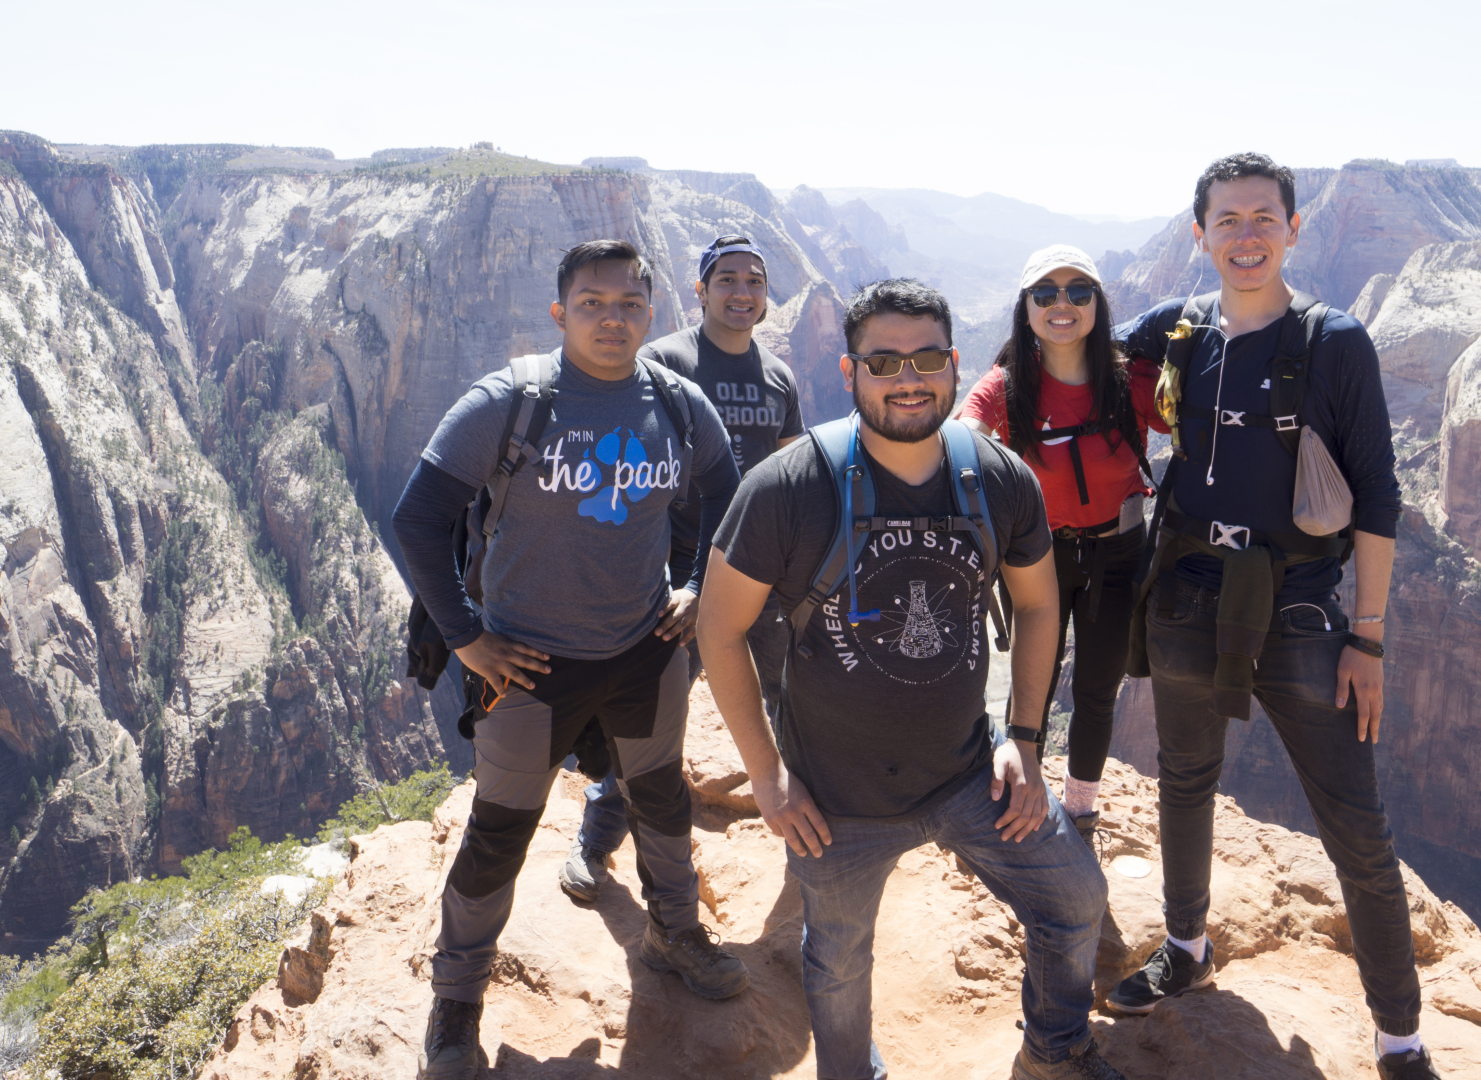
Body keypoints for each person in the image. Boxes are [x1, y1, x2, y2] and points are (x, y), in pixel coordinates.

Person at [697, 279, 1130, 1080]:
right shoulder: (788, 487)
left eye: (928, 358)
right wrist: (768, 777)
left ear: (955, 366)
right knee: (838, 964)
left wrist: (1025, 743)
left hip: (970, 770)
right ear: (849, 370)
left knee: (1073, 899)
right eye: (885, 360)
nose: (908, 377)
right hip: (834, 801)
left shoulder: (998, 479)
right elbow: (717, 628)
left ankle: (1054, 1049)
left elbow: (1038, 607)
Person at [1108, 155, 1440, 1080]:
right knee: (1183, 781)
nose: (1246, 234)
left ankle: (1400, 1039)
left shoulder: (1335, 341)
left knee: (1357, 832)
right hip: (1186, 596)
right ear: (1199, 233)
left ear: (1294, 228)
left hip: (1299, 613)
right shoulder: (1178, 329)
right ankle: (1185, 948)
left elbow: (1378, 495)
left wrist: (1367, 636)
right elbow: (1070, 338)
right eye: (1228, 219)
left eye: (1264, 217)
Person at [392, 240, 749, 1080]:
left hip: (644, 652)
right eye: (592, 302)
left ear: (650, 313)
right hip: (527, 667)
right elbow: (417, 520)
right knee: (499, 835)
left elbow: (732, 499)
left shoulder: (679, 403)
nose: (611, 317)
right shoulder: (510, 401)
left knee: (660, 803)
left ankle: (676, 934)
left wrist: (697, 586)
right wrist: (468, 637)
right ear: (560, 313)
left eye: (628, 302)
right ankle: (457, 1003)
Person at [559, 233, 805, 904]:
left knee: (789, 699)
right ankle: (596, 841)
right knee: (645, 709)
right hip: (677, 567)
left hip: (766, 567)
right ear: (701, 291)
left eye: (753, 281)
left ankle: (808, 848)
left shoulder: (778, 376)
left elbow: (790, 470)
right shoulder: (665, 360)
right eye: (727, 279)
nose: (741, 291)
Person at [957, 245, 1154, 845]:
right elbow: (967, 440)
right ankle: (1026, 796)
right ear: (1026, 307)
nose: (1061, 304)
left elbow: (1201, 418)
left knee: (1097, 687)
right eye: (1045, 294)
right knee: (1031, 683)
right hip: (1037, 556)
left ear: (1099, 302)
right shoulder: (1007, 385)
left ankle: (1083, 809)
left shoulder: (1132, 379)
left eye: (1078, 291)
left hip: (1119, 552)